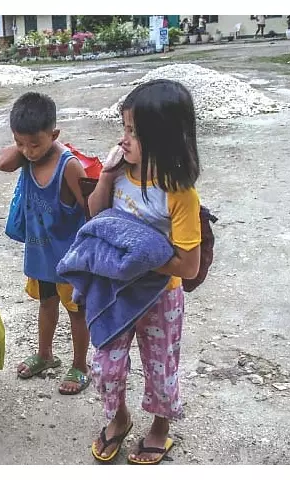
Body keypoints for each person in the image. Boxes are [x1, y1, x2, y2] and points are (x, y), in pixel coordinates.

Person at [86, 79, 201, 465]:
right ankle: (119, 418)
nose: (123, 139)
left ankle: (160, 429)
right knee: (105, 364)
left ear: (163, 138)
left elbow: (188, 266)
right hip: (117, 291)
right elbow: (96, 215)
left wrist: (139, 258)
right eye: (124, 129)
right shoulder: (120, 173)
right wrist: (105, 175)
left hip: (160, 296)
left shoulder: (179, 193)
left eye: (133, 132)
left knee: (161, 366)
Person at [0, 92, 91, 396]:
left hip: (69, 258)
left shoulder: (69, 166)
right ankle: (45, 354)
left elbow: (90, 209)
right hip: (41, 255)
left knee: (76, 312)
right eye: (20, 143)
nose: (28, 151)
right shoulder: (27, 156)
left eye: (35, 144)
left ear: (54, 134)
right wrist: (26, 145)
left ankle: (80, 365)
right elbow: (2, 163)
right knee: (46, 304)